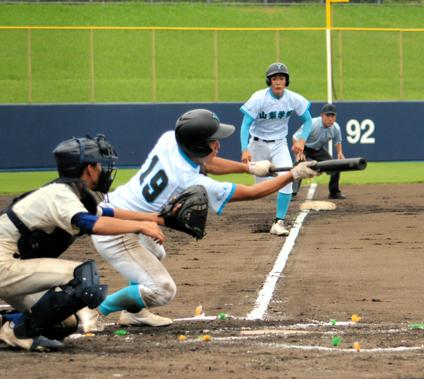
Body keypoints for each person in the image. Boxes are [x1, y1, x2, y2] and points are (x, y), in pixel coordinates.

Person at [84, 109, 319, 330]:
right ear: (196, 145)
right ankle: (96, 310)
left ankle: (134, 312)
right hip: (117, 230)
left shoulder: (170, 140)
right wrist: (292, 174)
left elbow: (207, 161)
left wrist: (250, 169)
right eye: (212, 141)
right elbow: (251, 193)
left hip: (123, 211)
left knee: (156, 254)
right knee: (163, 290)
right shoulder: (188, 179)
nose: (218, 144)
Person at [0, 135, 165, 351]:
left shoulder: (69, 194)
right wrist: (140, 227)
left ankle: (6, 323)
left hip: (12, 267)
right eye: (98, 164)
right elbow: (90, 222)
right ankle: (19, 331)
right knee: (82, 277)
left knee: (64, 323)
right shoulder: (60, 195)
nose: (103, 170)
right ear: (88, 169)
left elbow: (107, 212)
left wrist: (157, 218)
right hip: (4, 265)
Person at [239, 62, 314, 236]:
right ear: (269, 81)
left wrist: (302, 140)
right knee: (259, 189)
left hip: (279, 144)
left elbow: (308, 120)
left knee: (288, 179)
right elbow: (245, 125)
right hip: (257, 144)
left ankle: (278, 222)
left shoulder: (293, 98)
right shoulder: (259, 98)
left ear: (286, 81)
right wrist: (244, 149)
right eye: (274, 78)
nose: (278, 82)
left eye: (281, 78)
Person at [291, 103, 346, 199]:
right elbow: (295, 137)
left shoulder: (336, 128)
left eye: (332, 115)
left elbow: (338, 141)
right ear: (322, 115)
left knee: (335, 166)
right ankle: (292, 193)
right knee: (298, 167)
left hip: (318, 149)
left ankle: (334, 192)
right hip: (305, 148)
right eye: (327, 115)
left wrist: (339, 153)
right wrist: (300, 152)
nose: (330, 118)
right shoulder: (312, 124)